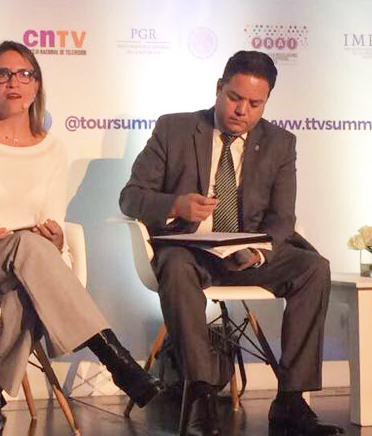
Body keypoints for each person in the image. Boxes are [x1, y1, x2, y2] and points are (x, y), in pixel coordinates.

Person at [0, 40, 164, 434]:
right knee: (26, 247)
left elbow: (53, 224)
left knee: (26, 285)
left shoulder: (53, 149)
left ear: (36, 86)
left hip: (26, 265)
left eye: (24, 74)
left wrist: (55, 239)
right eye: (2, 74)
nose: (13, 82)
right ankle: (117, 360)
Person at [119, 50, 342, 436]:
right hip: (190, 251)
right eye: (235, 98)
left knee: (314, 268)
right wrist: (176, 204)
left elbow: (282, 219)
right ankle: (201, 394)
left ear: (266, 102)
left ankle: (291, 401)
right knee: (174, 265)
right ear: (219, 88)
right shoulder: (174, 129)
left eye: (255, 104)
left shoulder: (280, 143)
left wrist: (256, 252)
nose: (242, 110)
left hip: (246, 253)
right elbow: (130, 197)